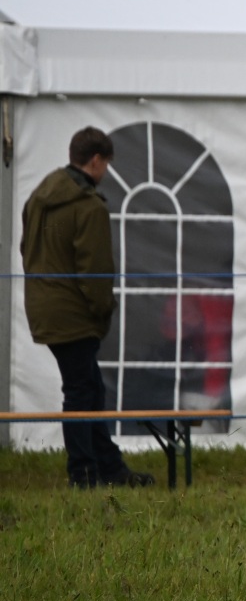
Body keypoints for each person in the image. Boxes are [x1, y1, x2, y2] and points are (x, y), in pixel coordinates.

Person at [20, 127, 153, 488]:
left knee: (90, 387)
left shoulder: (39, 197)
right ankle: (83, 473)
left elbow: (26, 249)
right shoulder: (88, 205)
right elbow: (95, 271)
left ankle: (109, 466)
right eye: (106, 163)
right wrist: (102, 310)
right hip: (75, 313)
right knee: (81, 391)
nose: (105, 170)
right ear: (95, 160)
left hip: (42, 307)